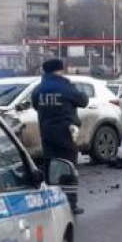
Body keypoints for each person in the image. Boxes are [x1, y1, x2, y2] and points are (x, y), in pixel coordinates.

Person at [31, 58, 89, 215]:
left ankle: (52, 201)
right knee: (68, 167)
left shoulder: (38, 89)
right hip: (65, 133)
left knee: (50, 166)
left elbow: (35, 106)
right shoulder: (65, 86)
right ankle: (70, 203)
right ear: (60, 69)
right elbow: (83, 101)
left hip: (47, 133)